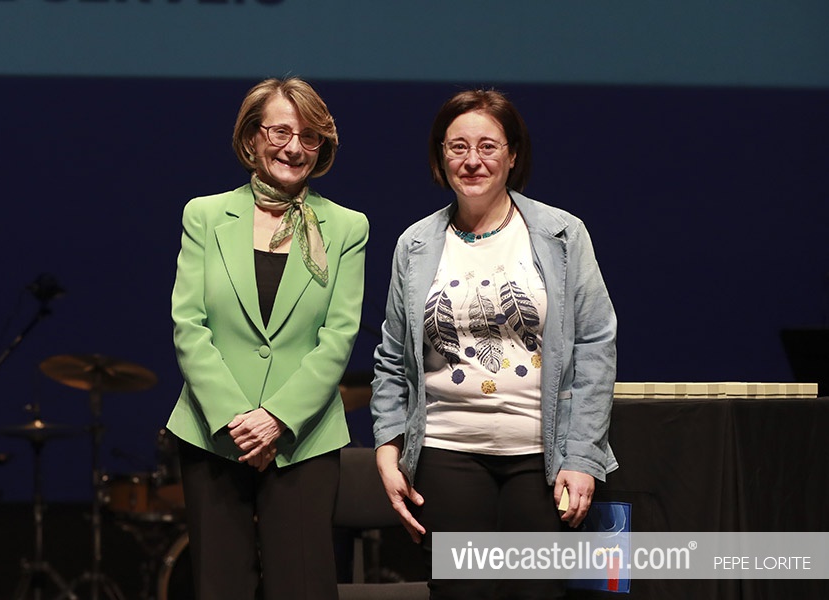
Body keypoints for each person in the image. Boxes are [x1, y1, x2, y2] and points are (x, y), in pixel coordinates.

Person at [371, 89, 618, 599]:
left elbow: (596, 345)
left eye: (488, 146)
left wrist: (582, 456)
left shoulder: (562, 234)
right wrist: (387, 447)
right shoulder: (415, 245)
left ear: (513, 155)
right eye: (458, 146)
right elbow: (392, 358)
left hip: (542, 459)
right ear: (441, 155)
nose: (472, 160)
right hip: (446, 452)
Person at [166, 77, 369, 600]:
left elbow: (338, 336)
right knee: (221, 587)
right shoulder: (204, 215)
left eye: (309, 136)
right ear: (252, 137)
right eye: (280, 132)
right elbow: (189, 324)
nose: (294, 147)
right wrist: (238, 419)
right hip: (215, 433)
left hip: (303, 440)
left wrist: (277, 418)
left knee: (303, 587)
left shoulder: (348, 227)